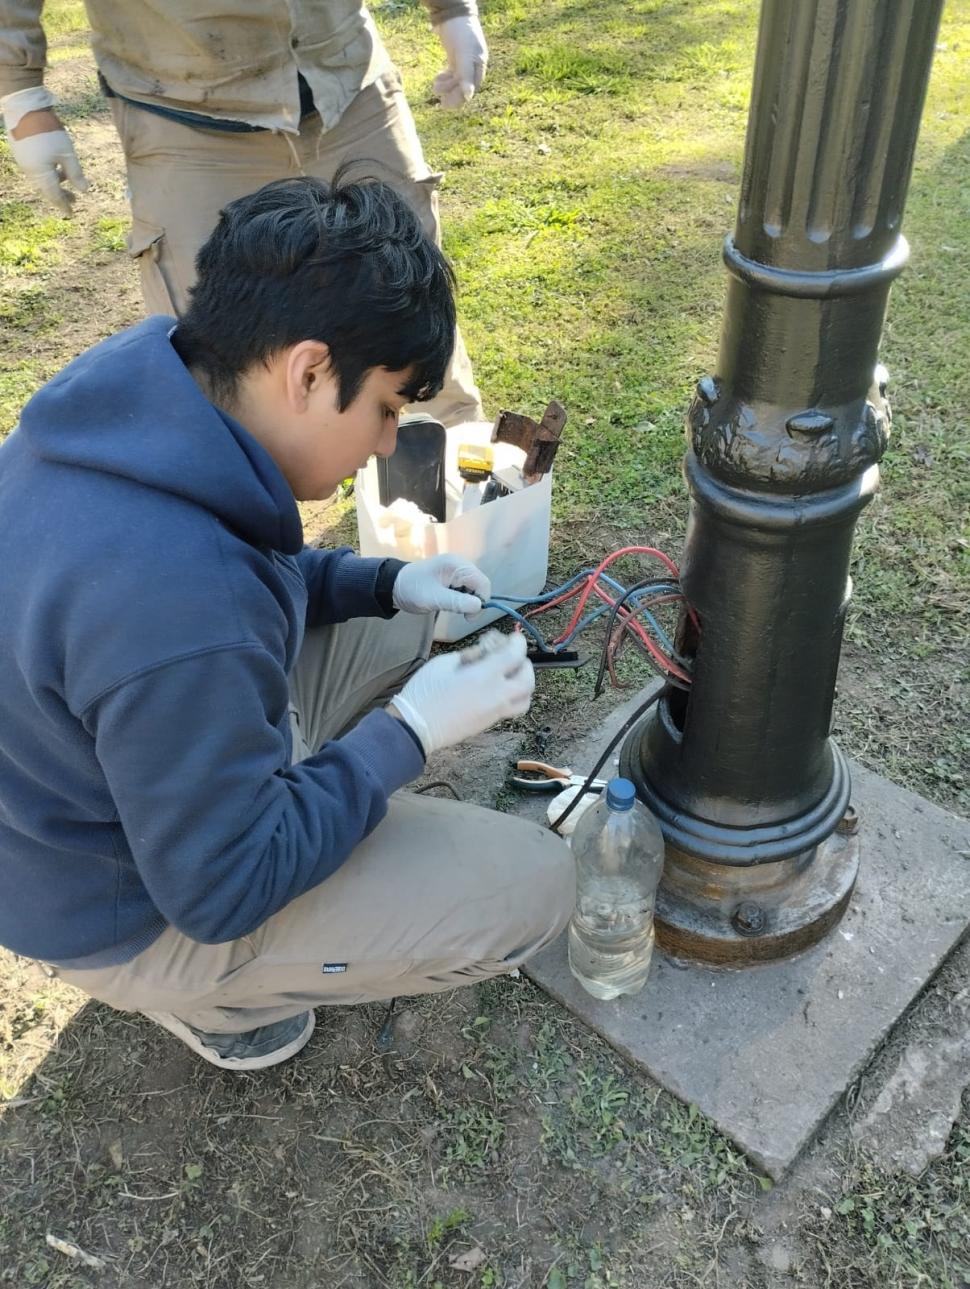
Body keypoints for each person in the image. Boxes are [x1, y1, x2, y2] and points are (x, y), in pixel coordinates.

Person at [0, 175, 574, 1071]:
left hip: (86, 788)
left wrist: (385, 581)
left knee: (404, 623)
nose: (389, 442)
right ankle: (213, 996)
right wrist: (410, 733)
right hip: (130, 900)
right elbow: (221, 885)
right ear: (308, 370)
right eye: (386, 408)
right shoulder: (178, 605)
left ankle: (268, 779)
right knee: (536, 887)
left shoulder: (154, 393)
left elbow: (245, 579)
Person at [0, 0, 486, 427]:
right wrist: (20, 93)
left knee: (413, 307)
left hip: (345, 76)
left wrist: (452, 10)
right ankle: (231, 519)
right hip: (181, 107)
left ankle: (447, 491)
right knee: (211, 361)